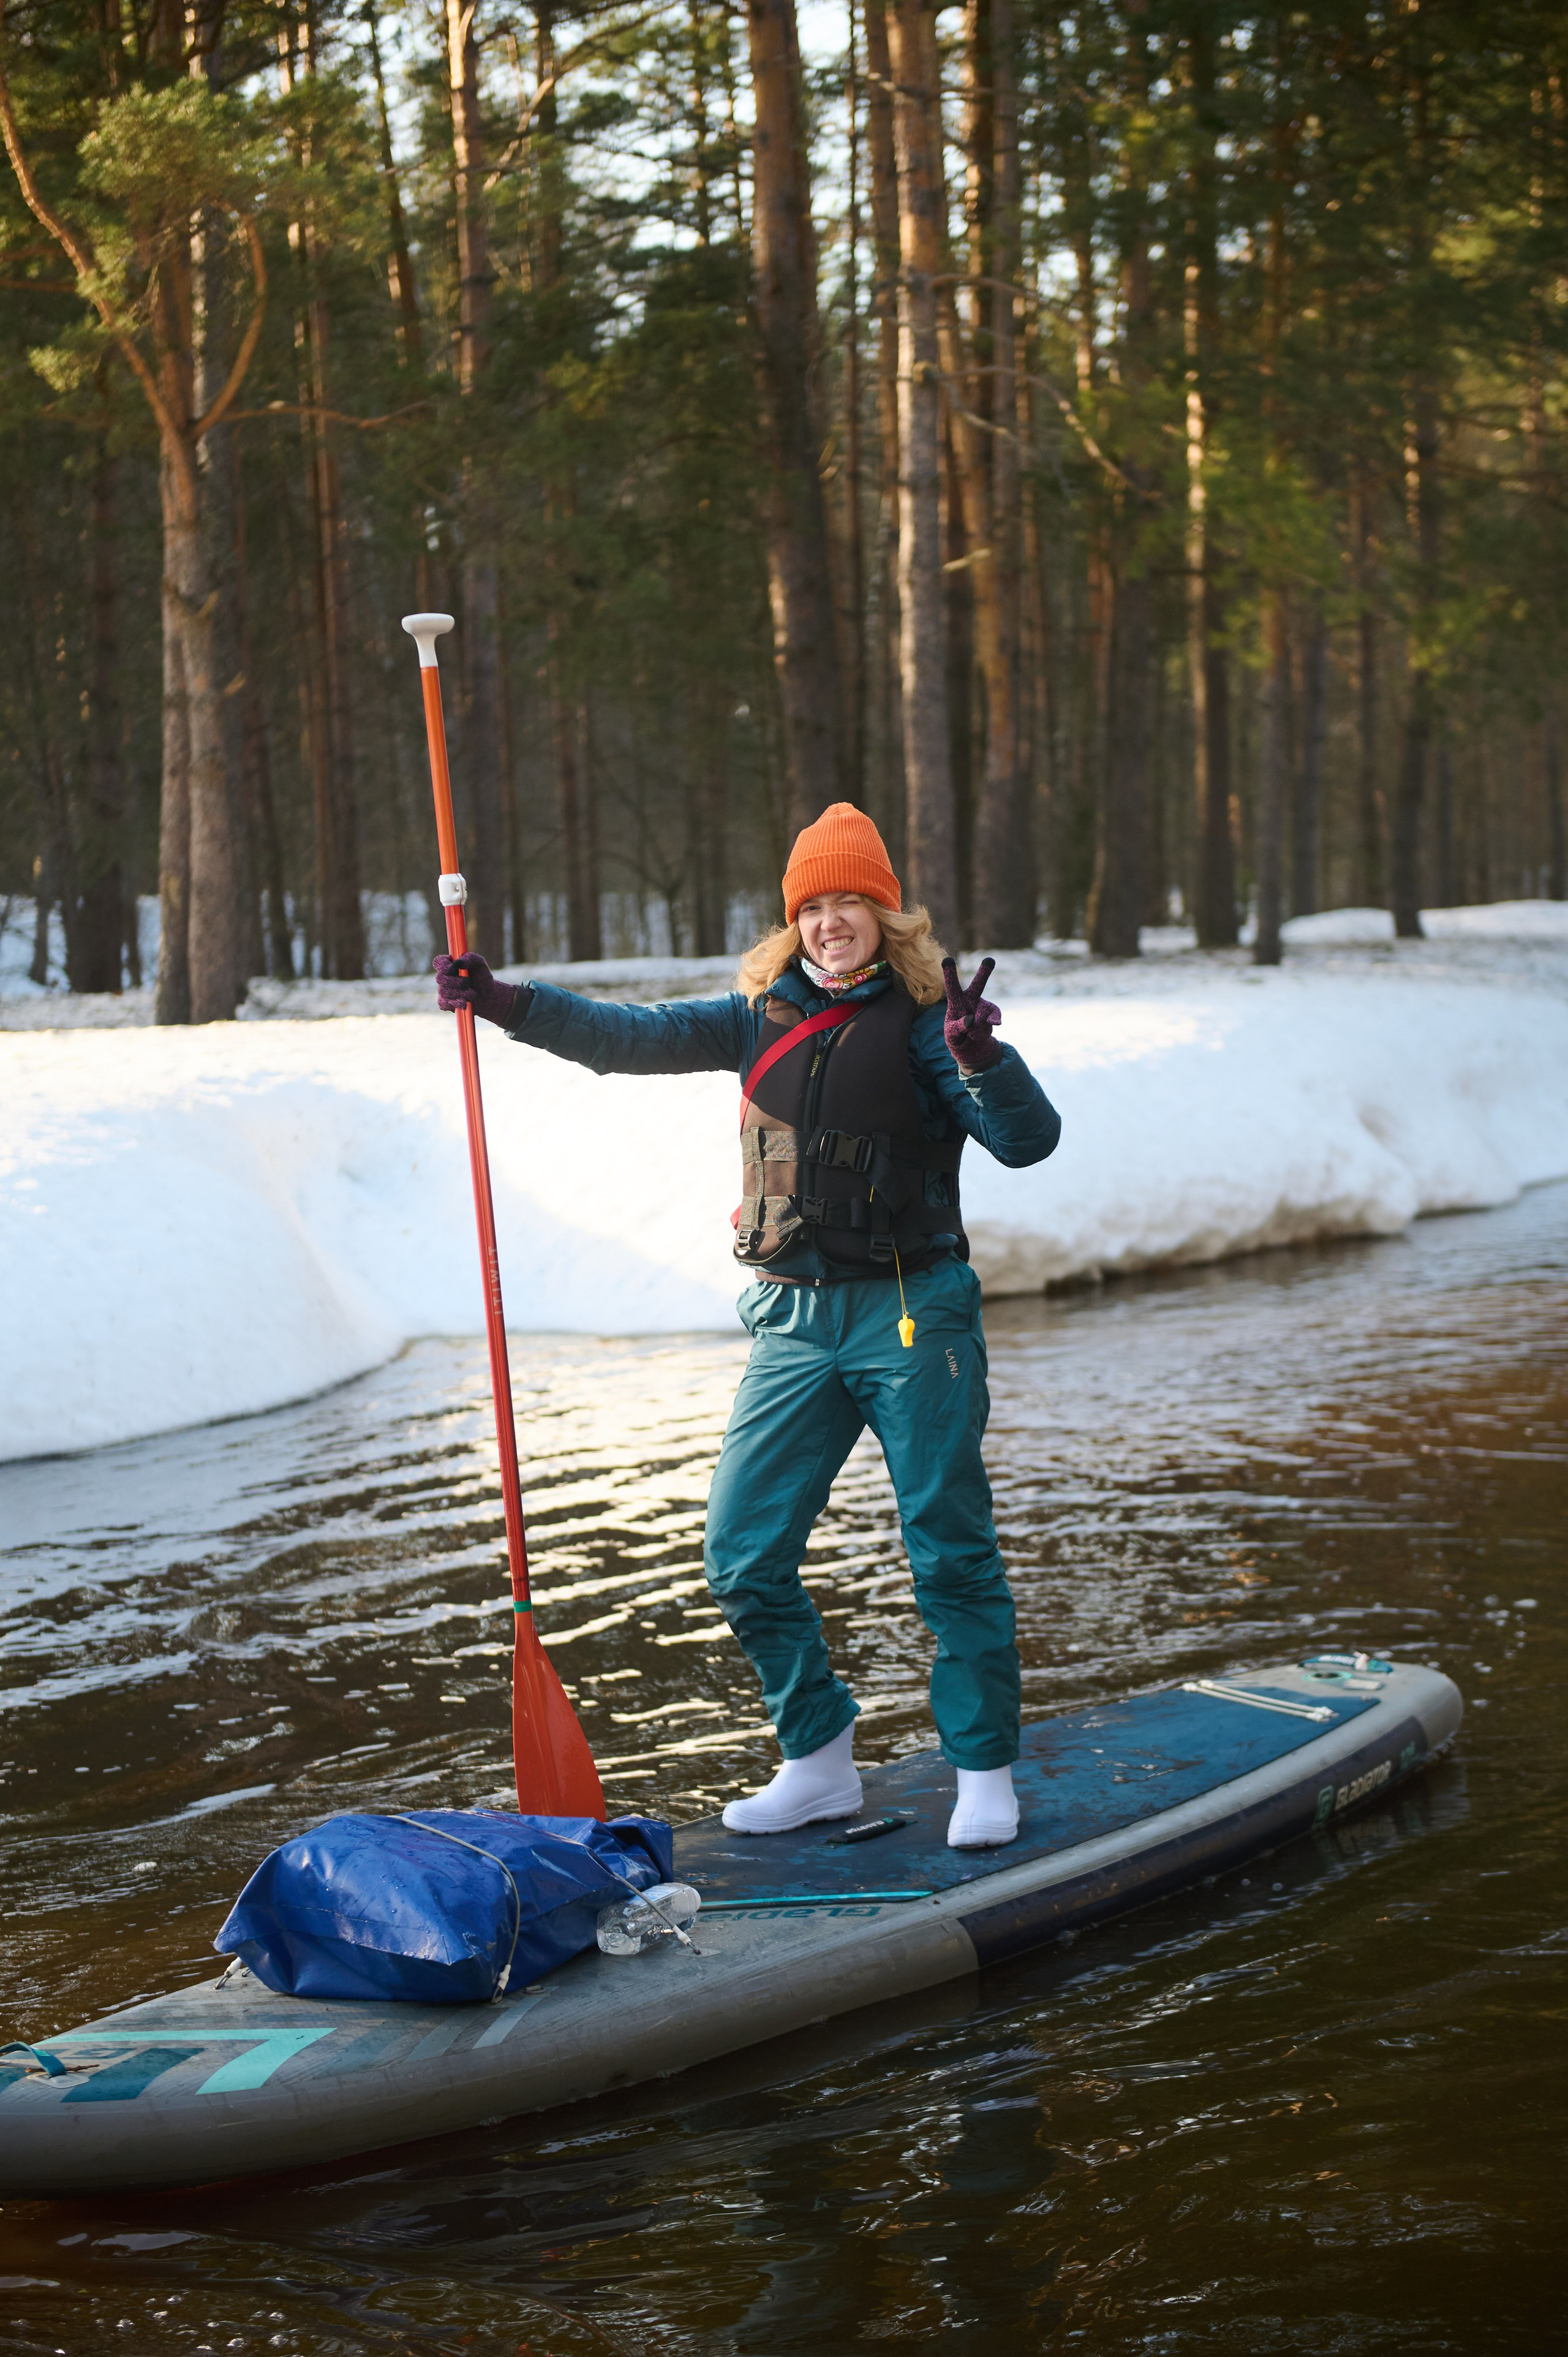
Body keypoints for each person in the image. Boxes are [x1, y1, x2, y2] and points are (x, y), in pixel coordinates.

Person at [434, 804, 1061, 1849]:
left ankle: (985, 1772)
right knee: (741, 1553)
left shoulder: (928, 1025)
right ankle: (818, 1763)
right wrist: (503, 1001)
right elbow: (622, 1039)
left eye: (850, 902)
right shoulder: (752, 1017)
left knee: (948, 1553)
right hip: (794, 1325)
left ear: (885, 914)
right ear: (793, 921)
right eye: (813, 906)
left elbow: (1027, 1143)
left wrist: (984, 1059)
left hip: (913, 1318)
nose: (831, 922)